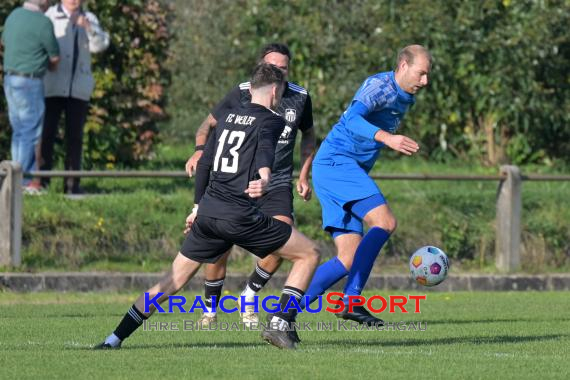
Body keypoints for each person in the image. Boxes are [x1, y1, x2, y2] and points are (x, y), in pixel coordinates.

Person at [94, 63, 320, 351]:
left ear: (250, 89)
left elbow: (204, 162)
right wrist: (264, 178)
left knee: (170, 281)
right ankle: (279, 323)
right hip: (239, 215)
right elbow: (265, 149)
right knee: (309, 254)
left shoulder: (225, 117)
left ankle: (114, 339)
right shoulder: (273, 120)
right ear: (275, 91)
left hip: (210, 211)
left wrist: (197, 207)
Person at [185, 43, 316, 327]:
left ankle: (250, 293)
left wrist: (304, 175)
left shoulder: (300, 97)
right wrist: (199, 150)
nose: (278, 73)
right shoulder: (242, 92)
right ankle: (210, 310)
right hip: (235, 181)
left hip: (276, 183)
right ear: (261, 68)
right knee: (219, 247)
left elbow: (309, 135)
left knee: (284, 237)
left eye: (284, 68)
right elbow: (206, 126)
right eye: (273, 67)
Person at [300, 45, 432, 325]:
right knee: (385, 222)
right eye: (421, 74)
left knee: (348, 259)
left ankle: (285, 312)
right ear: (403, 66)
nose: (425, 82)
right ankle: (351, 301)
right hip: (338, 163)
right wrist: (387, 138)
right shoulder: (378, 86)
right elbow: (352, 119)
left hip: (334, 168)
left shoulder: (406, 96)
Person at [39, 0, 110, 194]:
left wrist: (89, 28)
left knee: (75, 137)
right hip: (52, 86)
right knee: (47, 135)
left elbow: (100, 45)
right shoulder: (50, 16)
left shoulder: (90, 18)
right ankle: (42, 182)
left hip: (78, 88)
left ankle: (72, 186)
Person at [1, 0, 59, 194]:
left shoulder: (13, 16)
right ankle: (23, 182)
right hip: (30, 81)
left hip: (10, 78)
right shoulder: (42, 22)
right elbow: (55, 58)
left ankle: (12, 177)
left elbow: (3, 42)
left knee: (18, 131)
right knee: (30, 132)